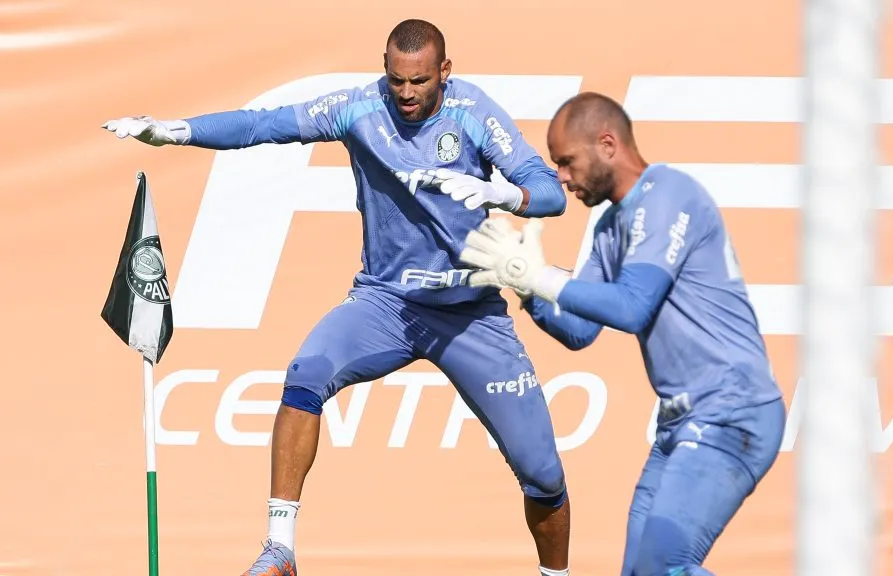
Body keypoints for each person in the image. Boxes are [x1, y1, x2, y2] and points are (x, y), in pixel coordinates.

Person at [102, 19, 574, 576]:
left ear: (444, 72)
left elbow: (549, 194)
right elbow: (263, 125)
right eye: (396, 80)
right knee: (306, 373)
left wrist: (505, 192)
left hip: (469, 313)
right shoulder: (358, 108)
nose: (405, 94)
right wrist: (175, 131)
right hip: (386, 305)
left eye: (419, 82)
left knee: (542, 475)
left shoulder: (473, 113)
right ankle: (280, 549)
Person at [457, 91, 787, 576]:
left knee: (662, 566)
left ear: (607, 144)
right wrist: (526, 289)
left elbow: (634, 307)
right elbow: (580, 331)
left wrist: (542, 277)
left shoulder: (670, 192)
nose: (561, 179)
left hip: (731, 412)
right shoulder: (611, 224)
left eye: (567, 163)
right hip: (681, 423)